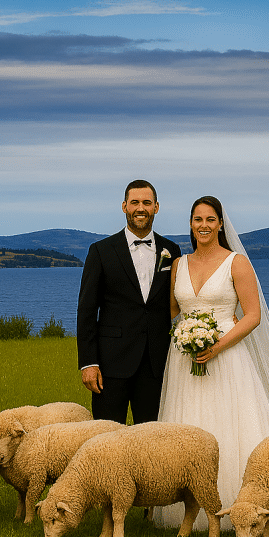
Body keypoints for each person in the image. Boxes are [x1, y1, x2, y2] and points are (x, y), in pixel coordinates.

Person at [154, 196, 269, 532]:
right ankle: (190, 508)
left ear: (220, 224)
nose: (204, 225)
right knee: (189, 426)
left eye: (210, 219)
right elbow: (172, 311)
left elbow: (253, 315)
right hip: (185, 359)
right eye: (198, 219)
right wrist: (186, 333)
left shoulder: (236, 262)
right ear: (191, 224)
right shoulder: (178, 264)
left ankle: (244, 500)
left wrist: (216, 346)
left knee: (232, 423)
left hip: (228, 357)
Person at [76, 180, 182, 424]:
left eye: (146, 202)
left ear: (156, 207)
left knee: (153, 436)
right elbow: (87, 311)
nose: (140, 208)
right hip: (111, 365)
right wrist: (89, 363)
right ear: (124, 206)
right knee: (107, 437)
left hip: (157, 365)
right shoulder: (101, 251)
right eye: (135, 202)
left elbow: (180, 298)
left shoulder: (171, 250)